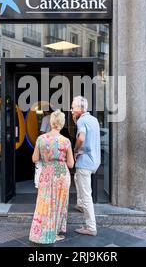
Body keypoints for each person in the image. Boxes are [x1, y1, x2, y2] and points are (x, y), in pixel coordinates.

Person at [29, 110, 74, 244]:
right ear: (62, 123)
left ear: (50, 122)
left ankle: (41, 231)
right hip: (61, 176)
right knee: (58, 204)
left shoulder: (41, 139)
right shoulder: (65, 141)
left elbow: (34, 158)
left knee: (44, 202)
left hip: (46, 174)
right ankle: (53, 233)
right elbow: (71, 164)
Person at [71, 96, 101, 236]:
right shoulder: (94, 119)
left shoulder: (81, 120)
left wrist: (76, 151)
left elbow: (81, 138)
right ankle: (80, 204)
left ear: (81, 109)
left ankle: (91, 227)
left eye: (73, 107)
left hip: (85, 161)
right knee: (77, 178)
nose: (71, 110)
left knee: (86, 194)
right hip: (95, 161)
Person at [34, 110, 52, 189]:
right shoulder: (57, 118)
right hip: (54, 143)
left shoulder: (46, 118)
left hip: (45, 143)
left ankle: (38, 184)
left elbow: (42, 131)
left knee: (39, 164)